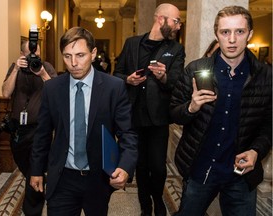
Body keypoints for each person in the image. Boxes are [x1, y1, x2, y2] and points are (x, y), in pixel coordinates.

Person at [170, 6, 272, 216]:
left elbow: (269, 124)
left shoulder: (266, 76)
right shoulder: (195, 70)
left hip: (241, 175)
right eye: (225, 32)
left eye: (240, 32)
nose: (232, 39)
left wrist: (256, 151)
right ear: (216, 34)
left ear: (249, 34)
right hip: (200, 169)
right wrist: (191, 107)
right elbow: (173, 112)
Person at [30, 27, 138, 216]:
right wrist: (36, 170)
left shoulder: (114, 87)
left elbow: (127, 133)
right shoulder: (52, 88)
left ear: (93, 53)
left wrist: (125, 166)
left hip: (98, 178)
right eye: (67, 56)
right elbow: (42, 133)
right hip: (62, 176)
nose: (73, 63)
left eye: (80, 55)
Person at [113, 3, 185, 216]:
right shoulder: (132, 43)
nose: (178, 26)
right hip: (134, 118)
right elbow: (116, 73)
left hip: (158, 120)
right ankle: (146, 207)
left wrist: (164, 77)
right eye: (176, 21)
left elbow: (178, 82)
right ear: (161, 19)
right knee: (141, 167)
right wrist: (128, 79)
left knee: (158, 168)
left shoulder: (176, 49)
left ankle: (157, 199)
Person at [2, 40, 57, 216]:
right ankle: (39, 181)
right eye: (29, 54)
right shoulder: (15, 68)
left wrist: (41, 73)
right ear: (21, 54)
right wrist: (17, 69)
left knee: (35, 169)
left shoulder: (46, 67)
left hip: (39, 129)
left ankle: (32, 210)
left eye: (36, 52)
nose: (34, 56)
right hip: (18, 130)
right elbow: (5, 93)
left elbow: (57, 93)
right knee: (29, 169)